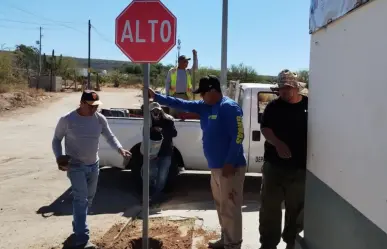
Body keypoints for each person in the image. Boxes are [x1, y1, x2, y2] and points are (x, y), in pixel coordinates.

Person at [148, 75, 246, 249]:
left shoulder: (229, 107)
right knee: (221, 206)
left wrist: (230, 162)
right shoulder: (204, 106)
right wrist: (156, 97)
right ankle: (226, 238)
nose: (200, 97)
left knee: (230, 207)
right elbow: (181, 104)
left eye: (203, 93)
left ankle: (234, 244)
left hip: (231, 168)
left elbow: (238, 136)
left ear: (213, 91)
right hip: (216, 167)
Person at [52, 90, 131, 249]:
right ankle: (82, 238)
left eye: (96, 106)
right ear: (81, 104)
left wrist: (120, 149)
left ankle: (78, 226)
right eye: (91, 106)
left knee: (89, 199)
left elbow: (110, 136)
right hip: (75, 166)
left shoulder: (99, 119)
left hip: (94, 165)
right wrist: (59, 157)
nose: (95, 109)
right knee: (81, 199)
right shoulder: (67, 120)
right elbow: (56, 139)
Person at [258, 69, 308, 249]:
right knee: (269, 209)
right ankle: (268, 244)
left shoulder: (309, 106)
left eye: (288, 88)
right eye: (281, 88)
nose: (284, 92)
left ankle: (292, 243)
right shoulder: (273, 107)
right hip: (274, 167)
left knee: (296, 210)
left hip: (300, 168)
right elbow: (266, 129)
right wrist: (277, 143)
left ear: (296, 88)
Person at [145, 102, 177, 204]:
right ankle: (151, 193)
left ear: (161, 110)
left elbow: (174, 133)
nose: (156, 113)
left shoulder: (168, 120)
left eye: (157, 111)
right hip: (153, 151)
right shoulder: (148, 122)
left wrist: (162, 131)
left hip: (166, 151)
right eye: (153, 111)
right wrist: (152, 129)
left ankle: (156, 195)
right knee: (151, 173)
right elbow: (144, 133)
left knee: (162, 175)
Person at [165, 50, 198, 116]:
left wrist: (195, 56)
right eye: (185, 61)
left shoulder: (188, 71)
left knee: (183, 116)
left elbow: (195, 68)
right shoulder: (172, 71)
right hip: (174, 96)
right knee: (172, 115)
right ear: (180, 62)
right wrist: (167, 96)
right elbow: (167, 83)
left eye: (187, 61)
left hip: (185, 96)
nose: (187, 63)